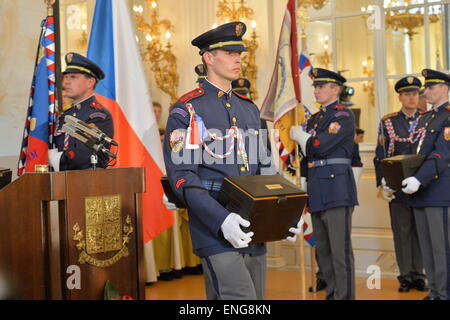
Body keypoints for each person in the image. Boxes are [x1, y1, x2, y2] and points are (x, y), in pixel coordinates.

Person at [163, 21, 301, 300]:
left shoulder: (248, 109)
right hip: (213, 222)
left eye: (239, 53)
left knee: (252, 298)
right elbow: (184, 176)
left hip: (255, 221)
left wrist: (283, 214)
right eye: (228, 52)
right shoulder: (188, 109)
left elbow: (265, 170)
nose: (238, 58)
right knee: (240, 296)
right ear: (209, 58)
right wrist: (221, 219)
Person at [290, 68, 358, 300]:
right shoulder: (315, 118)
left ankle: (344, 296)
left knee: (340, 251)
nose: (316, 90)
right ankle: (331, 293)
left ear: (336, 89)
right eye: (315, 87)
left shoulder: (342, 115)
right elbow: (307, 156)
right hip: (317, 187)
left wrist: (301, 137)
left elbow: (319, 145)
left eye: (321, 87)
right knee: (324, 251)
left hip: (337, 188)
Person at [373, 76, 426, 293]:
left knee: (421, 231)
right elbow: (381, 154)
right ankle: (405, 276)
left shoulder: (427, 118)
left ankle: (419, 275)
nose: (412, 98)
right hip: (397, 185)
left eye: (415, 94)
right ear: (400, 97)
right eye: (407, 94)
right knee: (402, 230)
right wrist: (382, 182)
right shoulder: (388, 121)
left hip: (422, 184)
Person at [402, 69, 450, 300]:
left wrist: (419, 179)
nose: (426, 92)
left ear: (444, 88)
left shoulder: (449, 115)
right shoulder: (425, 117)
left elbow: (442, 153)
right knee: (428, 247)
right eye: (426, 88)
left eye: (431, 87)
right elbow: (414, 154)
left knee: (441, 248)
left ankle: (445, 293)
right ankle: (435, 292)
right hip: (420, 191)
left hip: (439, 190)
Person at [49, 52, 114, 172]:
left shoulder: (98, 115)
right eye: (66, 76)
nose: (66, 82)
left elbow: (82, 158)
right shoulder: (66, 114)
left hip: (86, 185)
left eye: (73, 77)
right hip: (61, 183)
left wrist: (54, 159)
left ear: (90, 82)